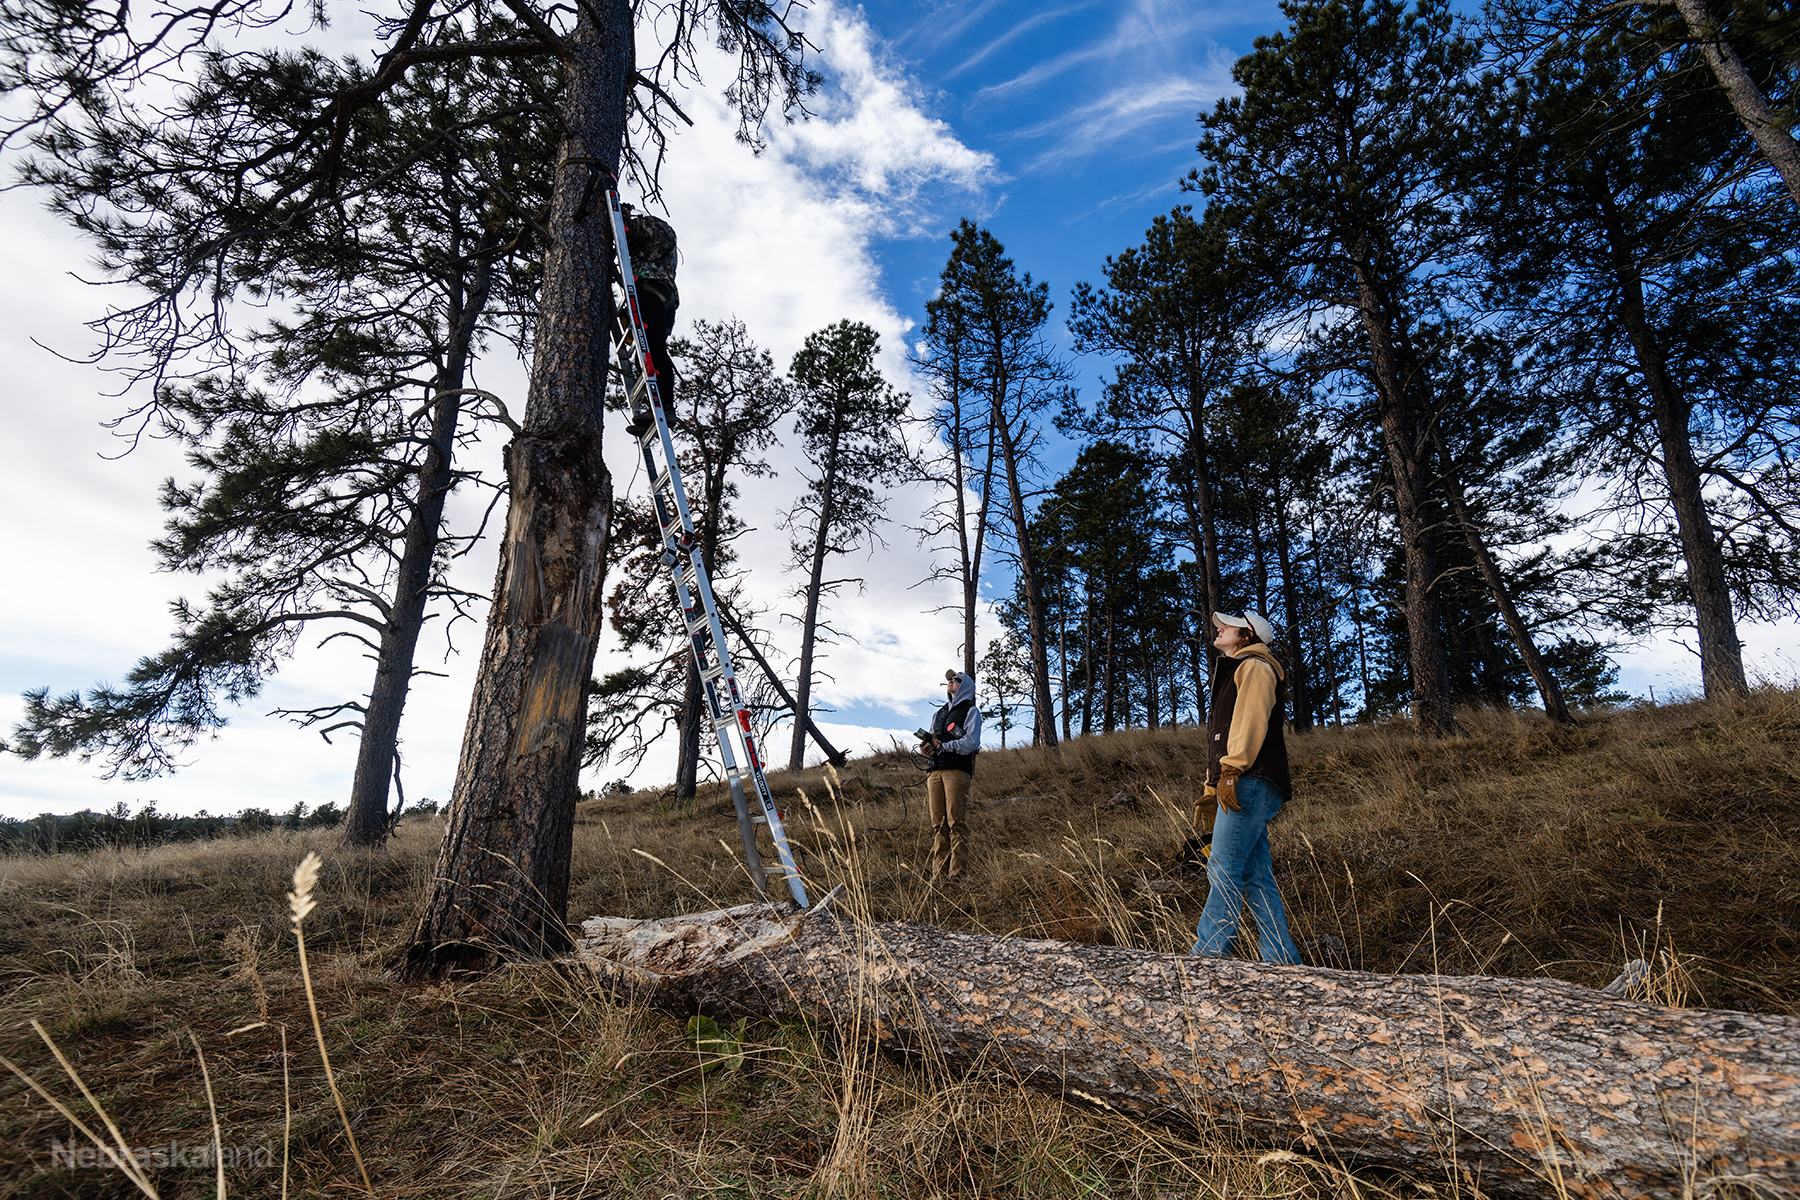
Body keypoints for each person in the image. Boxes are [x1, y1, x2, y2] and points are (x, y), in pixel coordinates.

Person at [1191, 610, 1303, 965]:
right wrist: (1213, 784)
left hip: (1249, 779)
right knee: (1255, 875)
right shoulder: (1239, 668)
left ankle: (1209, 955)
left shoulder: (1255, 666)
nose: (1219, 627)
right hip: (1246, 779)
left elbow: (1250, 722)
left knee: (1222, 866)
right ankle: (1281, 960)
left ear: (1247, 635)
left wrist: (1231, 771)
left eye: (1229, 625)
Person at [619, 204, 679, 437]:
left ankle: (664, 407)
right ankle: (657, 407)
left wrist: (625, 220)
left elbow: (643, 233)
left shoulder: (656, 228)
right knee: (647, 352)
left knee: (652, 348)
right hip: (657, 294)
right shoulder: (641, 252)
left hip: (652, 290)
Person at [919, 669, 981, 881]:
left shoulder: (970, 711)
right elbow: (932, 739)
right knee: (938, 824)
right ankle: (939, 875)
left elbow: (972, 742)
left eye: (956, 680)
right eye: (950, 680)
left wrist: (945, 747)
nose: (951, 682)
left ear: (965, 686)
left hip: (956, 771)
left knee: (956, 822)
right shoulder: (938, 714)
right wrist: (926, 747)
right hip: (934, 771)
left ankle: (956, 876)